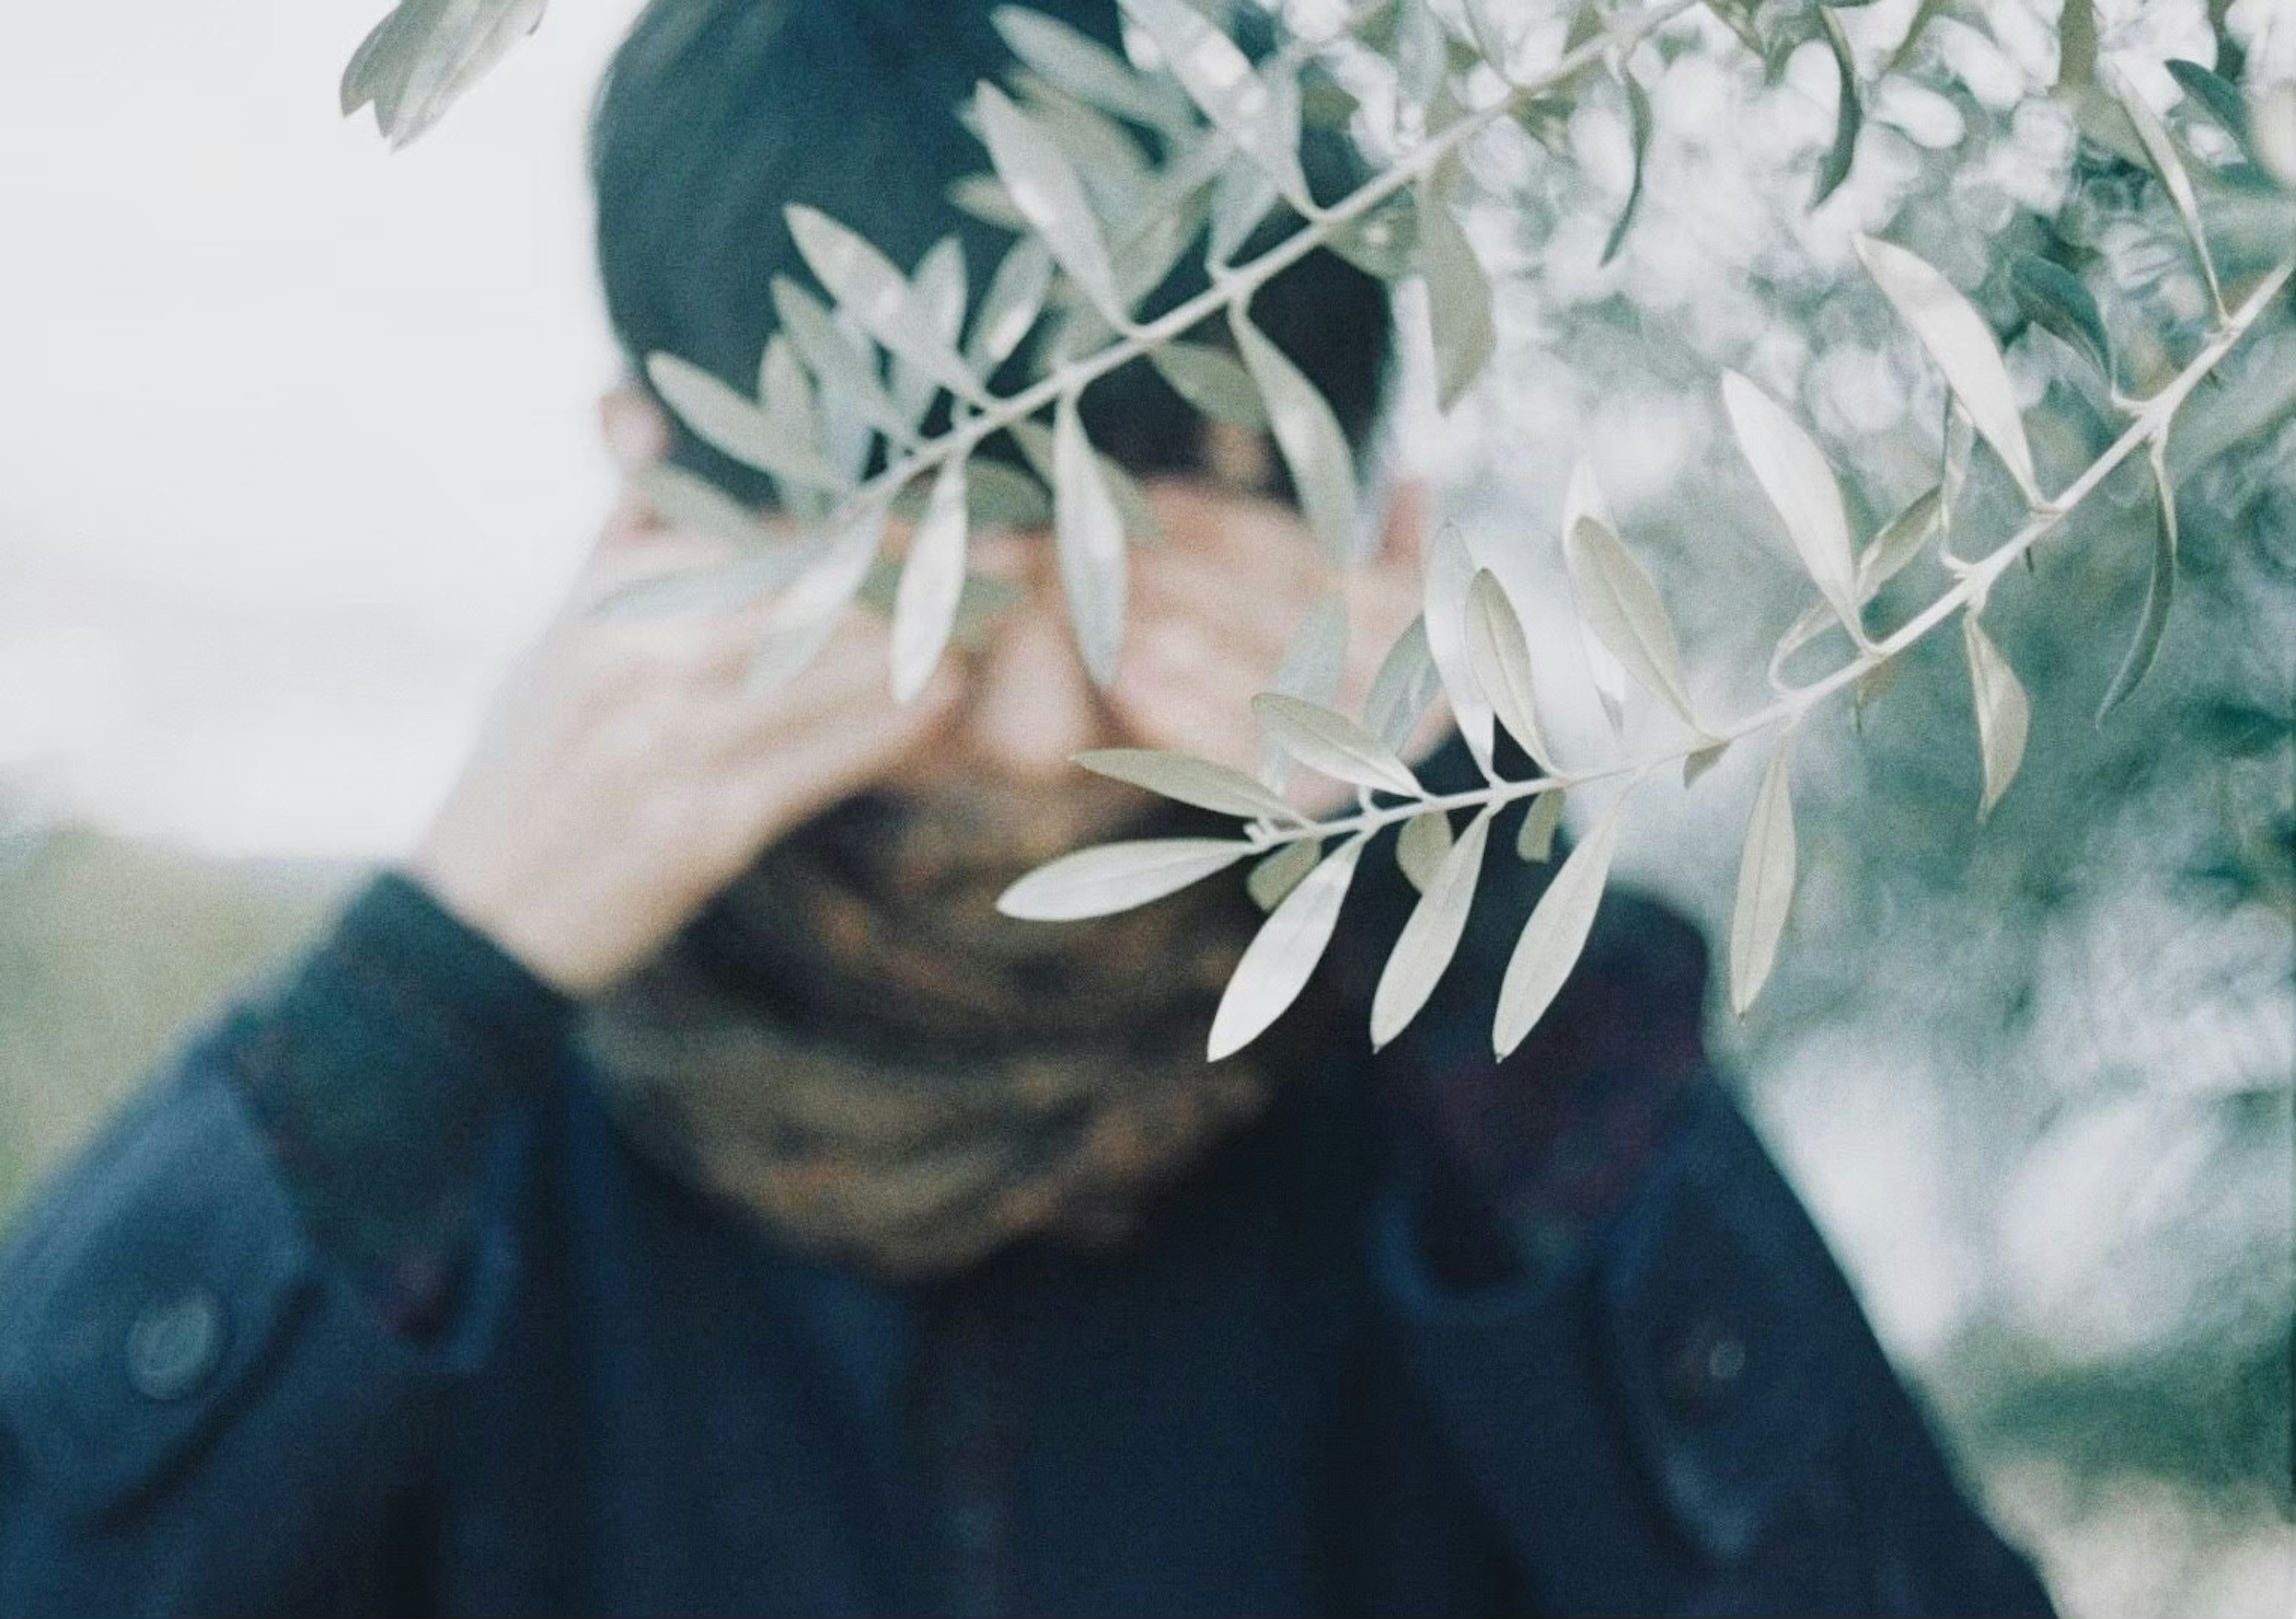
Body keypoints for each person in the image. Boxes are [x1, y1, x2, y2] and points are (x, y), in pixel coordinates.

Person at [0, 1, 2058, 1613]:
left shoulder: (1500, 1152)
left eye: (1156, 580)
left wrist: (1487, 932)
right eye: (939, 584)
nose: (1037, 725)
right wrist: (409, 1008)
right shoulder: (439, 1185)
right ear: (659, 503)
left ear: (1377, 535)